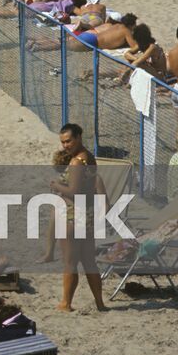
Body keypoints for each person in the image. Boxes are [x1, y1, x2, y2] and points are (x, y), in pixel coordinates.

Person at [49, 123, 108, 311]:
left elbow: (73, 191)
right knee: (89, 261)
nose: (66, 145)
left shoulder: (76, 163)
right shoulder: (88, 158)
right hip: (88, 215)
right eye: (63, 142)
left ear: (79, 137)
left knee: (70, 262)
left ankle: (66, 303)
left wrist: (56, 186)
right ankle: (99, 302)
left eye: (69, 141)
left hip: (73, 216)